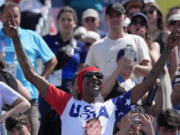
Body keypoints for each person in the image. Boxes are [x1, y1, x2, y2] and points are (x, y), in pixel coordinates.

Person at [5, 4, 180, 135]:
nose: (96, 78)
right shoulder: (65, 102)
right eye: (90, 76)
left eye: (99, 76)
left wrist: (168, 50)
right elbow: (30, 74)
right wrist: (16, 40)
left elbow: (148, 82)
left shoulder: (112, 106)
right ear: (80, 82)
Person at [0, 1, 57, 135]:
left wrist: (41, 79)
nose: (12, 19)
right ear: (0, 17)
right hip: (3, 100)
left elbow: (52, 60)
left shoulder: (31, 36)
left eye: (16, 16)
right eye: (8, 16)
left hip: (28, 99)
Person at [85, 2, 152, 84]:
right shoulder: (96, 46)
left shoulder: (137, 40)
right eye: (111, 16)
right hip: (104, 95)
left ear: (124, 18)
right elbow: (87, 74)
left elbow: (149, 71)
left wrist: (133, 66)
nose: (114, 19)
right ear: (106, 18)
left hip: (130, 94)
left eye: (118, 15)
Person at [142, 2, 178, 80]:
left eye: (151, 11)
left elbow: (174, 64)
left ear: (158, 14)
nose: (148, 14)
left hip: (162, 79)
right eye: (145, 12)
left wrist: (169, 83)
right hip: (144, 79)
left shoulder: (166, 35)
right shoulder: (139, 36)